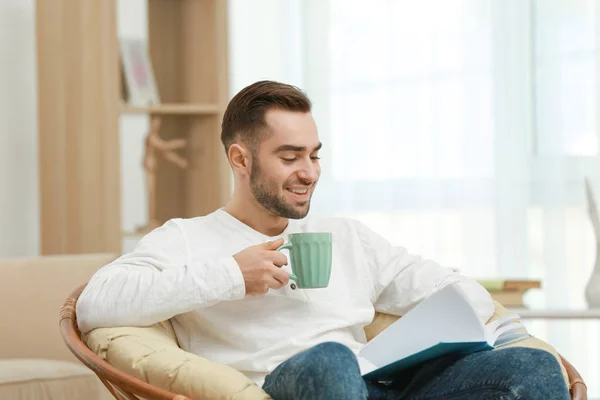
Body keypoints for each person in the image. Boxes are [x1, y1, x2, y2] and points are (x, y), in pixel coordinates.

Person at [77, 80, 570, 399]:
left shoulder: (345, 235)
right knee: (332, 362)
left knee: (531, 368)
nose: (309, 172)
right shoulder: (189, 239)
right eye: (290, 156)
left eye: (314, 155)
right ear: (240, 159)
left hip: (378, 386)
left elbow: (448, 286)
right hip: (286, 389)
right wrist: (232, 274)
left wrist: (468, 315)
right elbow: (95, 305)